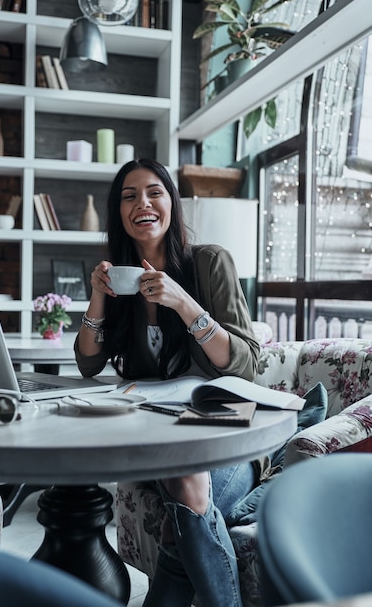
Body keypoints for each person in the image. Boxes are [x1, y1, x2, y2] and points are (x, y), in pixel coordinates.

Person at [74, 158, 260, 607]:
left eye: (155, 192)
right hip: (161, 430)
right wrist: (99, 295)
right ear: (119, 213)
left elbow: (246, 364)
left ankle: (258, 472)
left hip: (224, 428)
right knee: (184, 511)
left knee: (186, 480)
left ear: (171, 203)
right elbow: (88, 365)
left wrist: (185, 304)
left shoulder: (209, 262)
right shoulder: (119, 279)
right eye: (129, 196)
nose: (143, 203)